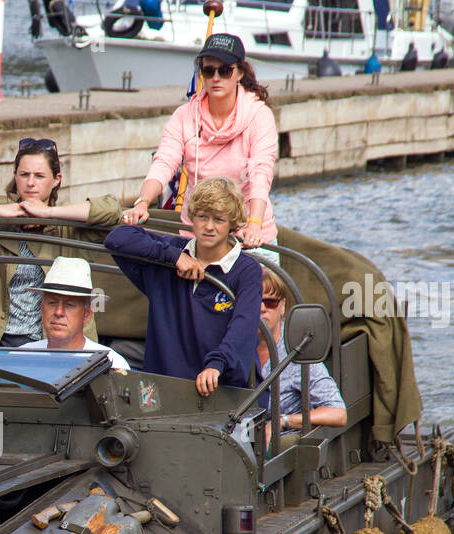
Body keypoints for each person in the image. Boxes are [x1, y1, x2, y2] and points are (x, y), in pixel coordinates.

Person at [121, 34, 279, 263]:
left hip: (248, 233)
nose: (216, 78)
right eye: (208, 71)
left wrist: (254, 224)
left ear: (240, 73)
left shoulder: (259, 115)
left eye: (224, 71)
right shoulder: (185, 116)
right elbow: (164, 162)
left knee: (261, 295)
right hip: (199, 236)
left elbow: (261, 172)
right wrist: (142, 202)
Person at [104, 176, 261, 395]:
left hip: (221, 391)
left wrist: (217, 365)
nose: (209, 227)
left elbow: (243, 326)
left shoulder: (247, 270)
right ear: (192, 218)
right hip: (163, 391)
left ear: (233, 224)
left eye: (219, 220)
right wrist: (174, 257)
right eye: (202, 217)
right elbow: (118, 237)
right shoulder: (171, 252)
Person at [0, 137, 122, 347]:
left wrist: (48, 213)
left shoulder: (68, 226)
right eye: (24, 175)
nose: (30, 183)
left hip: (51, 343)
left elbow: (112, 210)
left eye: (39, 176)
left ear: (56, 179)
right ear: (15, 176)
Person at [256, 267, 345, 449]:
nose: (262, 308)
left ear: (282, 306)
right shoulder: (230, 347)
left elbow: (337, 413)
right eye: (253, 301)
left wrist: (282, 421)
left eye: (270, 302)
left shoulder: (296, 351)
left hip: (279, 443)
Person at [17, 257, 130, 370]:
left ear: (87, 315)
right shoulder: (20, 358)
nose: (58, 312)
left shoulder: (111, 363)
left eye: (69, 305)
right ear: (41, 308)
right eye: (52, 303)